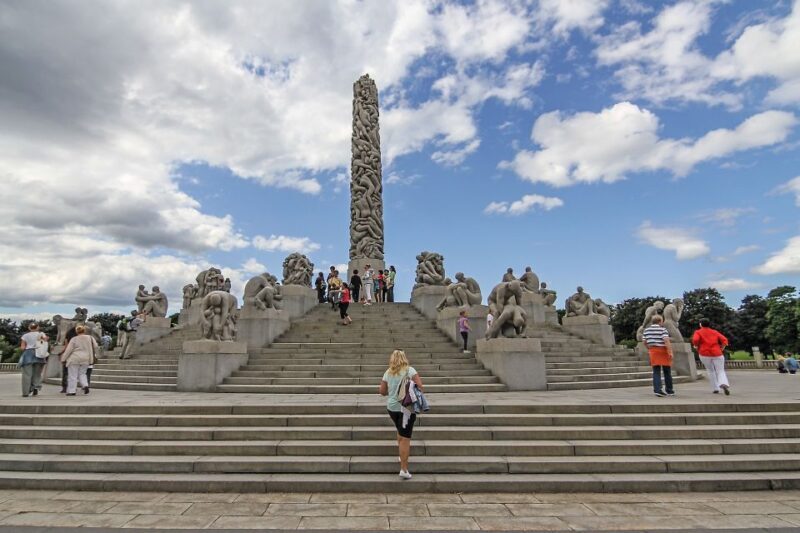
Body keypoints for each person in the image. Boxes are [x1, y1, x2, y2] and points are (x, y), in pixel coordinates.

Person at [379, 350, 424, 480]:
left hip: (392, 408)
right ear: (404, 358)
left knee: (400, 430)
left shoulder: (388, 372)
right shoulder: (410, 371)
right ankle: (404, 469)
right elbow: (420, 387)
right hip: (406, 408)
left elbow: (382, 391)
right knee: (405, 438)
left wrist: (392, 391)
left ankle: (401, 455)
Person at [692, 318, 731, 395]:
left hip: (704, 354)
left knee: (710, 370)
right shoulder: (714, 332)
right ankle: (724, 383)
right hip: (717, 353)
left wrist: (696, 345)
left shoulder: (698, 332)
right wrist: (722, 347)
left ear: (700, 324)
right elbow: (724, 339)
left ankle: (715, 388)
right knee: (720, 370)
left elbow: (695, 340)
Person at [643, 315, 675, 397]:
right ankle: (669, 390)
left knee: (656, 371)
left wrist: (649, 349)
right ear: (660, 321)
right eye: (662, 321)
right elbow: (666, 341)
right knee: (667, 371)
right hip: (663, 351)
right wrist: (670, 352)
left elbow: (644, 341)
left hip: (653, 351)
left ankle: (657, 390)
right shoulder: (663, 329)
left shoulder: (646, 330)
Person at [60, 324, 97, 396]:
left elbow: (68, 350)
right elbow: (95, 346)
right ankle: (85, 385)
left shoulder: (74, 339)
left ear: (76, 332)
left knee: (72, 375)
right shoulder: (90, 338)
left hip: (74, 358)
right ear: (84, 330)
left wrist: (63, 358)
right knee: (82, 373)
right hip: (86, 358)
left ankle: (72, 391)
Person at [18, 323, 48, 397]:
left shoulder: (25, 336)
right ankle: (35, 388)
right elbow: (45, 341)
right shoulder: (41, 334)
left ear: (29, 328)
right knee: (37, 374)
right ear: (38, 327)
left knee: (27, 374)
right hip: (39, 354)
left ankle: (25, 392)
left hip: (28, 354)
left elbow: (22, 347)